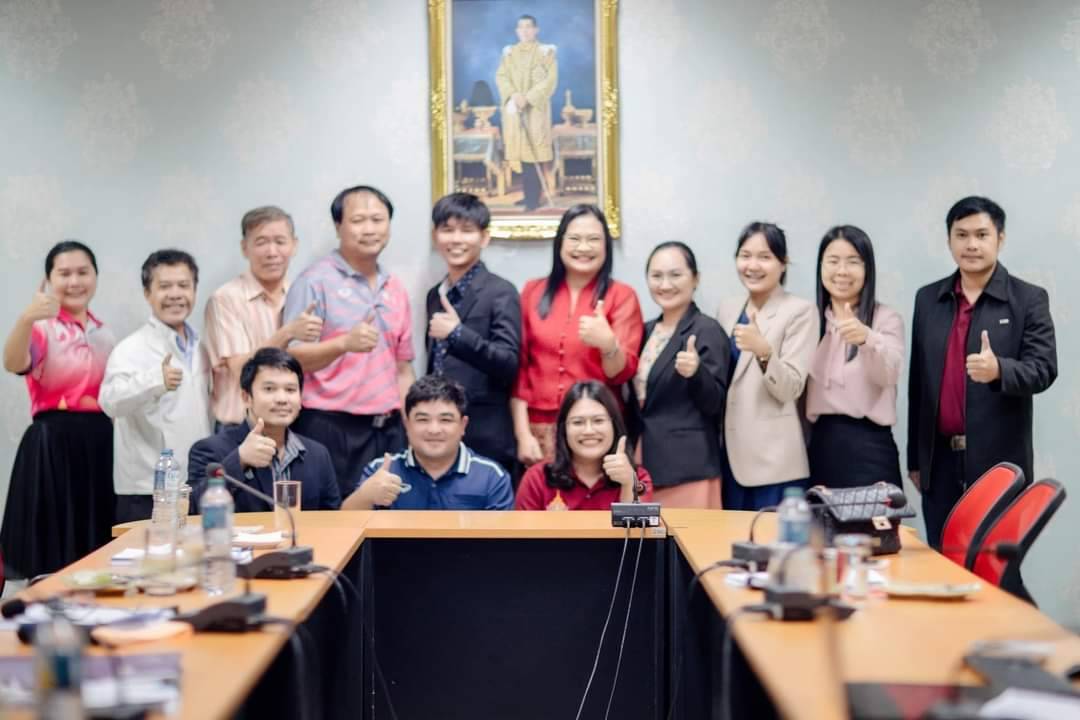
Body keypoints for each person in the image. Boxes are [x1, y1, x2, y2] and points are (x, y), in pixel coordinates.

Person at [908, 196, 1057, 548]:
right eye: (961, 235)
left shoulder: (1028, 299)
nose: (971, 244)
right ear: (949, 240)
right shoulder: (928, 299)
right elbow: (918, 384)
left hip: (999, 464)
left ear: (999, 239)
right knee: (944, 563)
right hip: (940, 464)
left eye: (981, 234)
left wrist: (999, 370)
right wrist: (917, 459)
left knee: (997, 567)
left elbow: (1044, 369)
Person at [282, 185, 415, 500]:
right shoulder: (314, 281)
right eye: (358, 220)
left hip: (388, 430)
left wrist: (411, 425)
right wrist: (343, 344)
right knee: (332, 516)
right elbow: (290, 360)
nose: (369, 229)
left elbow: (402, 367)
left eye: (377, 220)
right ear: (338, 226)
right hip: (329, 426)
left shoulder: (395, 287)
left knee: (388, 516)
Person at [0, 241, 116, 579]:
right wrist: (26, 317)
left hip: (100, 442)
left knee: (93, 542)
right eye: (64, 274)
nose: (74, 281)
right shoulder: (41, 327)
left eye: (83, 272)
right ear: (50, 280)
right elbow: (13, 363)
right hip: (52, 444)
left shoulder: (105, 333)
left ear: (95, 277)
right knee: (52, 545)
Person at [512, 204, 644, 467]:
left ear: (606, 246)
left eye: (593, 239)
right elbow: (520, 371)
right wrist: (522, 434)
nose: (583, 247)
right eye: (574, 238)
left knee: (594, 493)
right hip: (539, 427)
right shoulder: (532, 292)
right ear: (560, 243)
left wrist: (608, 344)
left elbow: (620, 374)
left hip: (596, 427)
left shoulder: (622, 296)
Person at [100, 249, 212, 523]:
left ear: (195, 290)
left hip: (195, 484)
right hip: (147, 490)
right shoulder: (131, 348)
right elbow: (109, 401)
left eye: (183, 285)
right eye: (164, 286)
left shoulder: (203, 347)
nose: (175, 294)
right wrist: (154, 381)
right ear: (147, 293)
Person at [716, 222, 818, 511]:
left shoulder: (800, 311)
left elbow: (791, 388)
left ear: (783, 263)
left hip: (775, 464)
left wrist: (763, 351)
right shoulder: (727, 308)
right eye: (745, 256)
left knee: (775, 540)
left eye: (765, 257)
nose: (753, 265)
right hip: (730, 458)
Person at [425, 193, 521, 480]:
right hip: (437, 431)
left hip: (485, 431)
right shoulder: (435, 295)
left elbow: (508, 363)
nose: (456, 239)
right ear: (435, 236)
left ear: (484, 237)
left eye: (467, 230)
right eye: (447, 230)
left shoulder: (501, 291)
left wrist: (457, 334)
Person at [203, 206, 322, 430]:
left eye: (280, 241)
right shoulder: (225, 299)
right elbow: (241, 369)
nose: (272, 252)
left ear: (294, 245)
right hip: (239, 426)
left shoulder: (303, 294)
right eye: (261, 242)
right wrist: (288, 332)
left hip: (292, 424)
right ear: (244, 248)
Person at [629, 242, 729, 508]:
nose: (665, 284)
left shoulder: (707, 330)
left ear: (695, 279)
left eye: (675, 275)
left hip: (687, 467)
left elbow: (716, 403)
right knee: (643, 535)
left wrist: (696, 373)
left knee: (687, 535)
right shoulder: (644, 331)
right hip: (642, 460)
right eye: (656, 276)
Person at [807, 226, 904, 489]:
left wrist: (866, 338)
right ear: (821, 266)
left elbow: (888, 375)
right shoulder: (809, 320)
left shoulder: (886, 319)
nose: (842, 271)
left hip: (869, 448)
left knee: (875, 517)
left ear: (867, 269)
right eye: (833, 261)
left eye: (853, 261)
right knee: (819, 517)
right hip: (820, 446)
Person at [187, 348, 341, 512]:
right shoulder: (210, 449)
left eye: (290, 390)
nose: (282, 399)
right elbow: (193, 509)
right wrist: (239, 460)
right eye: (269, 389)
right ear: (246, 397)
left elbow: (332, 517)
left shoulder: (318, 454)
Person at [346, 375, 513, 510]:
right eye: (423, 419)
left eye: (445, 420)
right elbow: (345, 528)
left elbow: (502, 539)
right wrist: (365, 496)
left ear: (463, 425)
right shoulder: (380, 470)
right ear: (407, 425)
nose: (434, 430)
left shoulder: (491, 477)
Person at [516, 380, 653, 511]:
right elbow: (522, 528)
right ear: (563, 430)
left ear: (615, 426)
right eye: (578, 422)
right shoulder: (537, 479)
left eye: (598, 421)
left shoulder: (638, 478)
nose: (589, 431)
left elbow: (640, 527)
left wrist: (628, 484)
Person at [495, 13, 557, 211]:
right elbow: (501, 76)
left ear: (536, 30)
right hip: (515, 109)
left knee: (533, 154)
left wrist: (528, 98)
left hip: (535, 112)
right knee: (521, 155)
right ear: (517, 31)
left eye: (528, 27)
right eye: (521, 27)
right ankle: (527, 195)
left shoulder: (545, 53)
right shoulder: (509, 53)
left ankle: (533, 199)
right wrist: (513, 94)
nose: (525, 31)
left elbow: (550, 80)